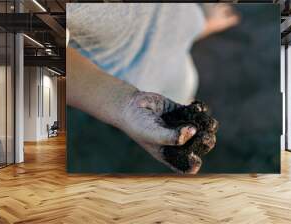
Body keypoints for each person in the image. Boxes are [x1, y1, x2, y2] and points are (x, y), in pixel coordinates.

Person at [66, 3, 238, 174]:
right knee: (176, 104)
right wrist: (125, 105)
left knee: (185, 85)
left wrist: (199, 24)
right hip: (136, 84)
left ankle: (188, 98)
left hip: (178, 41)